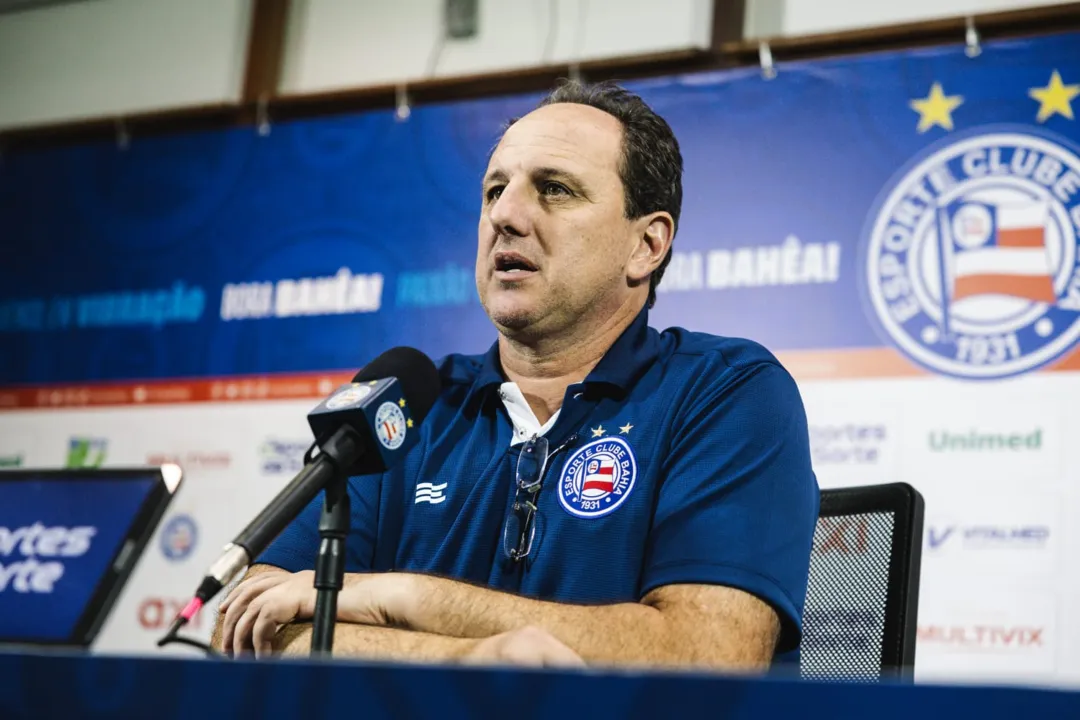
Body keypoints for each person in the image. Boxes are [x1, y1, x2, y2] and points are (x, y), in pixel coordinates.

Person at [213, 79, 818, 670]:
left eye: (554, 189)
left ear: (647, 245)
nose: (505, 214)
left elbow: (705, 655)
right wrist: (465, 659)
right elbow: (247, 626)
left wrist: (404, 598)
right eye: (494, 190)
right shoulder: (405, 406)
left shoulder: (727, 391)